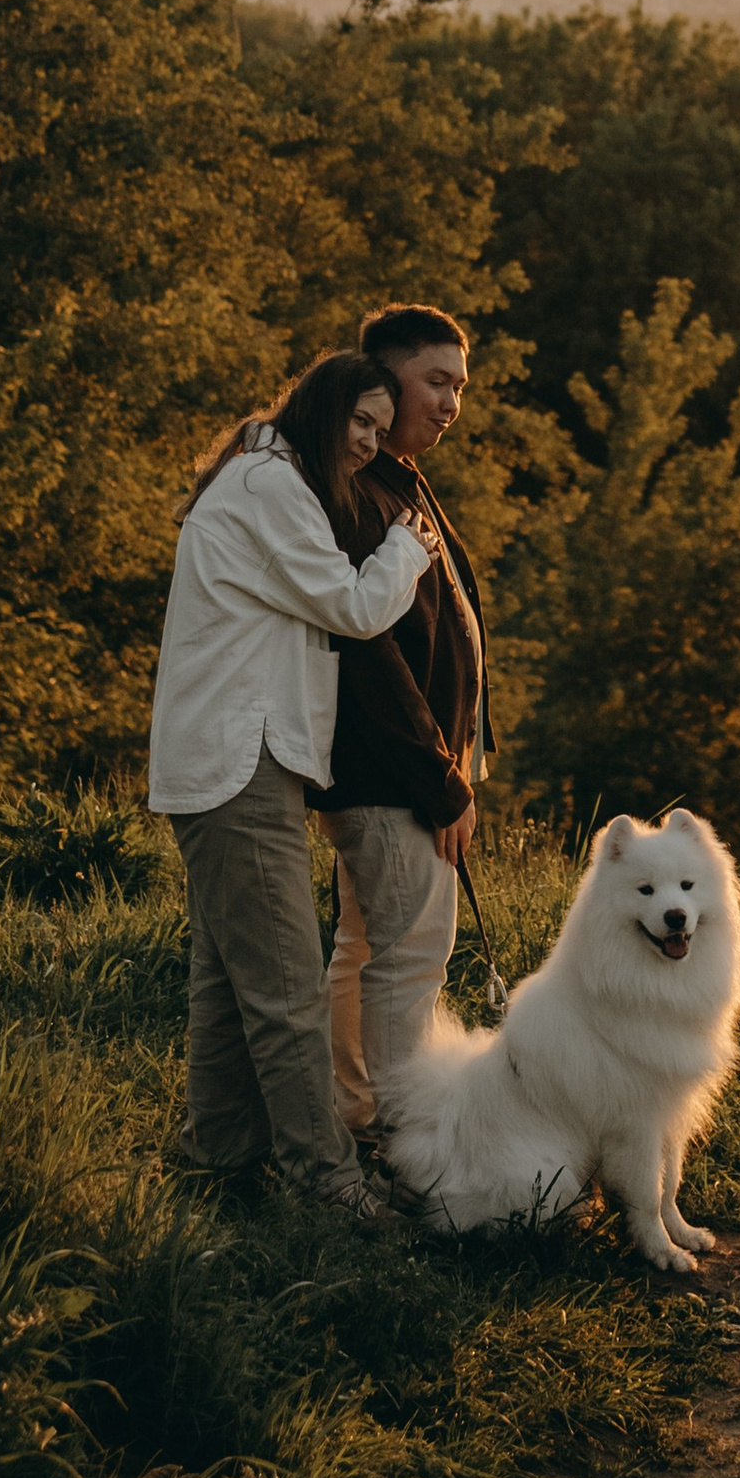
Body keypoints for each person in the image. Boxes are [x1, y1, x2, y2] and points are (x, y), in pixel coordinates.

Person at [148, 348, 434, 1216]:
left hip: (227, 760)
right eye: (359, 422)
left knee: (229, 984)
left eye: (380, 431)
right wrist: (405, 547)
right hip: (242, 762)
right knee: (285, 987)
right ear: (320, 406)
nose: (367, 444)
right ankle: (328, 1181)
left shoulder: (257, 476)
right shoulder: (272, 485)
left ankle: (217, 1163)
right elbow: (351, 605)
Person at [317, 301, 495, 1156]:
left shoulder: (402, 482)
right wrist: (440, 776)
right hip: (394, 777)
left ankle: (352, 1115)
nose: (452, 401)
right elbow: (371, 655)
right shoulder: (361, 489)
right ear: (382, 378)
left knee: (365, 948)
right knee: (411, 957)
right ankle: (401, 1140)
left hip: (410, 771)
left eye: (460, 385)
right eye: (436, 380)